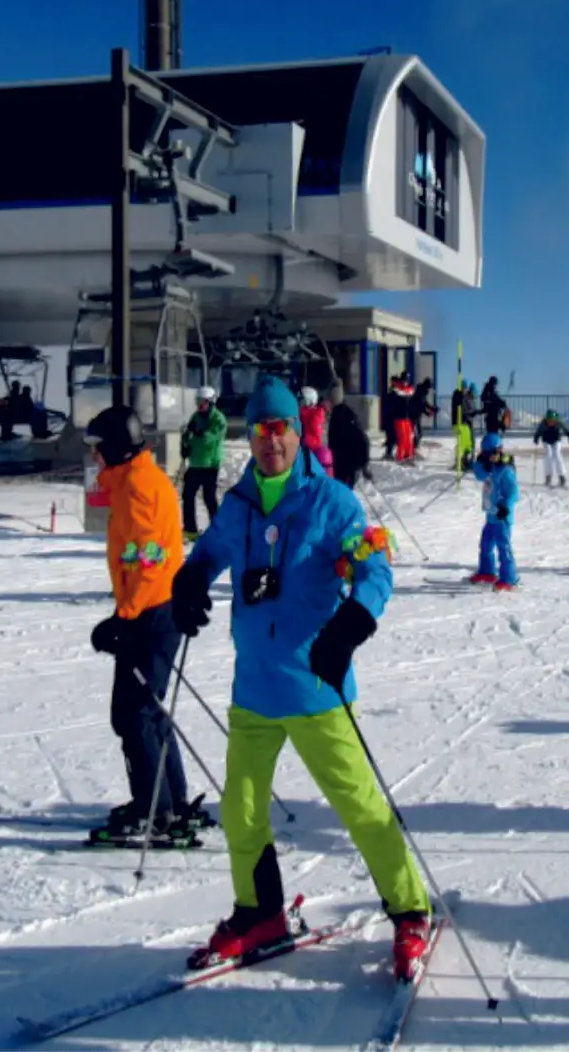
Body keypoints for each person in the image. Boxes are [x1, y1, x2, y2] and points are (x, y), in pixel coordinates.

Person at [168, 375, 431, 980]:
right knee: (241, 810)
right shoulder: (237, 506)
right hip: (254, 689)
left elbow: (376, 565)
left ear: (297, 431)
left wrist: (351, 624)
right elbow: (207, 553)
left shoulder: (330, 501)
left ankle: (409, 907)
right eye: (260, 430)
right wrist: (187, 583)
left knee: (360, 806)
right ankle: (259, 913)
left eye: (281, 428)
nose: (271, 441)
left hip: (317, 683)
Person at [84, 404, 201, 844]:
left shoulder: (137, 487)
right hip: (155, 610)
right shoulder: (137, 481)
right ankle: (169, 800)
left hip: (151, 613)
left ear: (115, 448)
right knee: (146, 711)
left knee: (132, 714)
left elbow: (151, 559)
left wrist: (125, 616)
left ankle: (156, 811)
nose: (95, 458)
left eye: (98, 449)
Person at [470, 432, 520, 590]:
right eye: (485, 455)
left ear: (499, 451)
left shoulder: (505, 470)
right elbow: (480, 475)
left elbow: (514, 492)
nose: (489, 457)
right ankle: (487, 571)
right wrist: (477, 463)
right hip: (491, 515)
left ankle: (509, 578)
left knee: (503, 547)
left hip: (502, 516)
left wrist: (505, 505)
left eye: (491, 454)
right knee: (485, 544)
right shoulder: (490, 467)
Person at [181, 387, 227, 540]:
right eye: (197, 402)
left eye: (203, 402)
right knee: (187, 495)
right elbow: (188, 434)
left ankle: (218, 530)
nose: (200, 405)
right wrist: (185, 444)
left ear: (211, 402)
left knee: (209, 497)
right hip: (195, 464)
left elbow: (211, 439)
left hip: (210, 465)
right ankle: (190, 529)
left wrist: (198, 432)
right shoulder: (196, 416)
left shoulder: (218, 419)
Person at [327, 382, 371, 490]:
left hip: (344, 457)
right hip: (346, 458)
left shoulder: (340, 415)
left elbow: (334, 439)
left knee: (342, 485)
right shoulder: (347, 413)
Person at [533, 408, 569, 488]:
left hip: (556, 440)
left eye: (552, 421)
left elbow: (567, 431)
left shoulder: (559, 422)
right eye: (549, 421)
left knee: (557, 454)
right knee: (548, 455)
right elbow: (538, 432)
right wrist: (536, 438)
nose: (550, 423)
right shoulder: (543, 423)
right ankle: (548, 476)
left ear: (555, 419)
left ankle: (561, 476)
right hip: (546, 440)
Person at [299, 386, 333, 475]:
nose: (300, 403)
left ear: (309, 401)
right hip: (304, 448)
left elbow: (314, 432)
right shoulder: (304, 413)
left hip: (311, 450)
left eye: (302, 400)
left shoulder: (316, 415)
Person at [389, 374, 417, 462]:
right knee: (402, 438)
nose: (405, 382)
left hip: (407, 417)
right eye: (404, 380)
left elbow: (410, 397)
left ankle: (408, 456)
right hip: (399, 417)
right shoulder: (396, 391)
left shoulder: (409, 391)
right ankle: (400, 457)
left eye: (407, 381)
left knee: (410, 437)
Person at [412, 378, 435, 446]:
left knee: (419, 432)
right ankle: (413, 447)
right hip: (413, 413)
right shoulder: (420, 391)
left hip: (417, 414)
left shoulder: (422, 391)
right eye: (429, 387)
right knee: (417, 432)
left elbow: (425, 403)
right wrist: (427, 412)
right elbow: (421, 405)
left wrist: (432, 408)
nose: (429, 389)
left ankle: (414, 446)